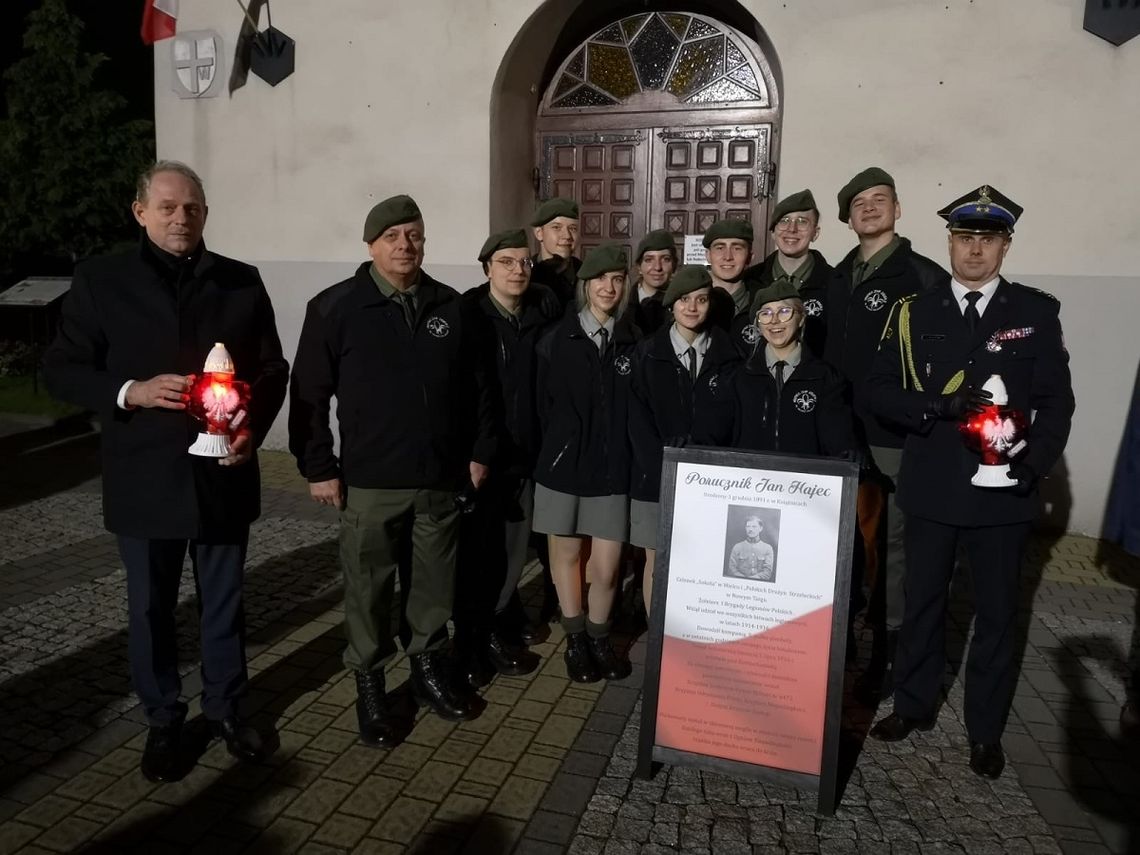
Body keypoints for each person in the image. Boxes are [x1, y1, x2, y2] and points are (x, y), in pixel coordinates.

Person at [43, 160, 289, 782]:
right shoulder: (101, 280)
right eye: (170, 207)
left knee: (224, 605)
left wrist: (249, 431)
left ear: (206, 213)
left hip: (223, 472)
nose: (182, 218)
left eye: (193, 208)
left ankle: (228, 711)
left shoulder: (239, 281)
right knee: (150, 610)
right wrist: (132, 390)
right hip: (144, 475)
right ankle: (162, 721)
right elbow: (63, 370)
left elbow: (269, 368)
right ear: (141, 212)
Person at [864, 185, 1074, 779]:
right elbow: (878, 391)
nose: (974, 251)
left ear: (1006, 245)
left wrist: (1032, 467)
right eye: (964, 238)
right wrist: (936, 405)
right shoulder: (914, 312)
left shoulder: (1035, 313)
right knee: (923, 602)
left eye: (987, 239)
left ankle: (984, 731)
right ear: (949, 242)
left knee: (998, 615)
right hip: (933, 487)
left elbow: (1057, 404)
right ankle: (912, 705)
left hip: (1005, 494)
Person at [289, 194, 495, 745]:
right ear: (371, 244)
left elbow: (480, 388)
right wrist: (317, 466)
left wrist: (479, 452)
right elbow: (308, 394)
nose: (405, 246)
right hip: (370, 481)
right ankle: (371, 683)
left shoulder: (451, 307)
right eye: (392, 237)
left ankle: (428, 669)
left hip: (438, 478)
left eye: (414, 235)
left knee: (432, 587)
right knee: (370, 589)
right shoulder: (336, 307)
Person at [824, 167, 947, 705]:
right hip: (836, 429)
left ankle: (888, 649)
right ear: (847, 218)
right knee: (840, 538)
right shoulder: (836, 276)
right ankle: (841, 637)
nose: (869, 208)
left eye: (880, 200)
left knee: (893, 545)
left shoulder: (921, 276)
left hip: (893, 434)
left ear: (898, 209)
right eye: (859, 203)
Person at [453, 229, 561, 687]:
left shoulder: (542, 313)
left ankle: (494, 626)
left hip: (526, 457)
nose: (517, 270)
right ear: (487, 269)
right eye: (506, 262)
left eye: (524, 262)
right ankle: (473, 641)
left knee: (512, 554)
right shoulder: (469, 316)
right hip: (482, 458)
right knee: (478, 556)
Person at [533, 243, 640, 683]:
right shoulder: (556, 340)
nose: (609, 287)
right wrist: (557, 448)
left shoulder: (634, 342)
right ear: (585, 285)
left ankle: (600, 636)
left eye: (617, 280)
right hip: (563, 469)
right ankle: (576, 638)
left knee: (608, 565)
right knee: (567, 556)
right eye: (600, 279)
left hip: (613, 471)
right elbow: (542, 407)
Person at [629, 265, 739, 615]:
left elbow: (734, 419)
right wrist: (661, 466)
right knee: (657, 559)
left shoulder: (729, 355)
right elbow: (637, 419)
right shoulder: (647, 354)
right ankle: (657, 640)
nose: (692, 308)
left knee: (700, 561)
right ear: (671, 305)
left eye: (701, 299)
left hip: (710, 480)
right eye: (684, 300)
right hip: (656, 478)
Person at [732, 280, 855, 459]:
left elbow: (836, 431)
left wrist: (847, 450)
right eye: (765, 313)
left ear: (801, 319)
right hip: (751, 479)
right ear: (758, 323)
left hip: (804, 482)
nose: (774, 321)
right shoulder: (740, 377)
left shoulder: (825, 377)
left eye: (784, 312)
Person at [743, 190, 832, 358]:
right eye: (784, 221)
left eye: (802, 221)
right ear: (773, 232)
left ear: (815, 233)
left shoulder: (834, 281)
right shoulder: (750, 281)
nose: (792, 229)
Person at [703, 218, 761, 356]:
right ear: (708, 255)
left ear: (750, 257)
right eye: (720, 248)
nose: (728, 257)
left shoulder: (762, 303)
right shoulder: (689, 303)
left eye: (737, 248)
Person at [529, 197, 582, 308]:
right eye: (557, 227)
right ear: (539, 233)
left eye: (572, 228)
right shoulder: (525, 274)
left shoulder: (587, 275)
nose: (567, 236)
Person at [629, 229, 676, 335]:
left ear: (674, 265)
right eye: (649, 260)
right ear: (639, 267)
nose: (657, 267)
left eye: (665, 259)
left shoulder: (682, 305)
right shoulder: (622, 302)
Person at [727, 516, 775, 581]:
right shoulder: (737, 547)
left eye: (754, 527)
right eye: (748, 526)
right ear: (745, 528)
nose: (750, 529)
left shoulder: (767, 548)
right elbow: (731, 569)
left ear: (760, 528)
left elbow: (767, 572)